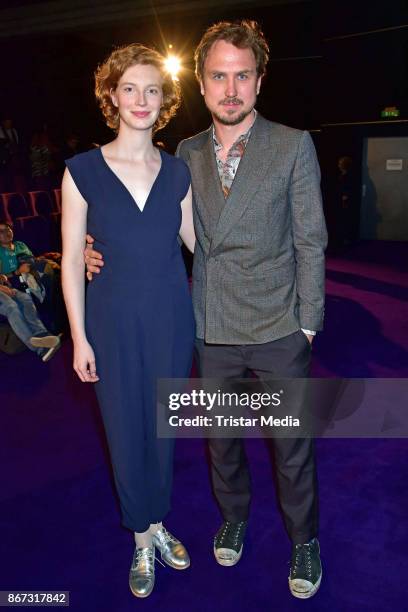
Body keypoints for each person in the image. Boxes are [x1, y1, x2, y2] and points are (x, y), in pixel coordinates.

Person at [85, 21, 327, 599]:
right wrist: (98, 250)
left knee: (291, 447)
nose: (230, 88)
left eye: (242, 76)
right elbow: (153, 222)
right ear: (201, 81)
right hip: (209, 325)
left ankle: (305, 541)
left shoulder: (293, 144)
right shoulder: (184, 155)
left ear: (259, 81)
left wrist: (308, 324)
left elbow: (310, 240)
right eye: (218, 76)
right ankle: (235, 517)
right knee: (222, 442)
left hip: (277, 326)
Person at [61, 44, 195, 599]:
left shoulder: (180, 170)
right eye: (130, 88)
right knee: (124, 429)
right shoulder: (82, 171)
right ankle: (141, 540)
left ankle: (159, 524)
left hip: (171, 318)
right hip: (112, 322)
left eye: (153, 89)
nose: (142, 99)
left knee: (162, 429)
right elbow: (71, 258)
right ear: (112, 96)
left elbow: (201, 248)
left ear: (164, 100)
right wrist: (79, 337)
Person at [0, 222, 61, 361]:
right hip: (8, 285)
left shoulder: (20, 244)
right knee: (12, 307)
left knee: (25, 299)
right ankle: (39, 349)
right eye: (1, 231)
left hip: (11, 285)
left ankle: (43, 335)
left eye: (8, 229)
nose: (7, 232)